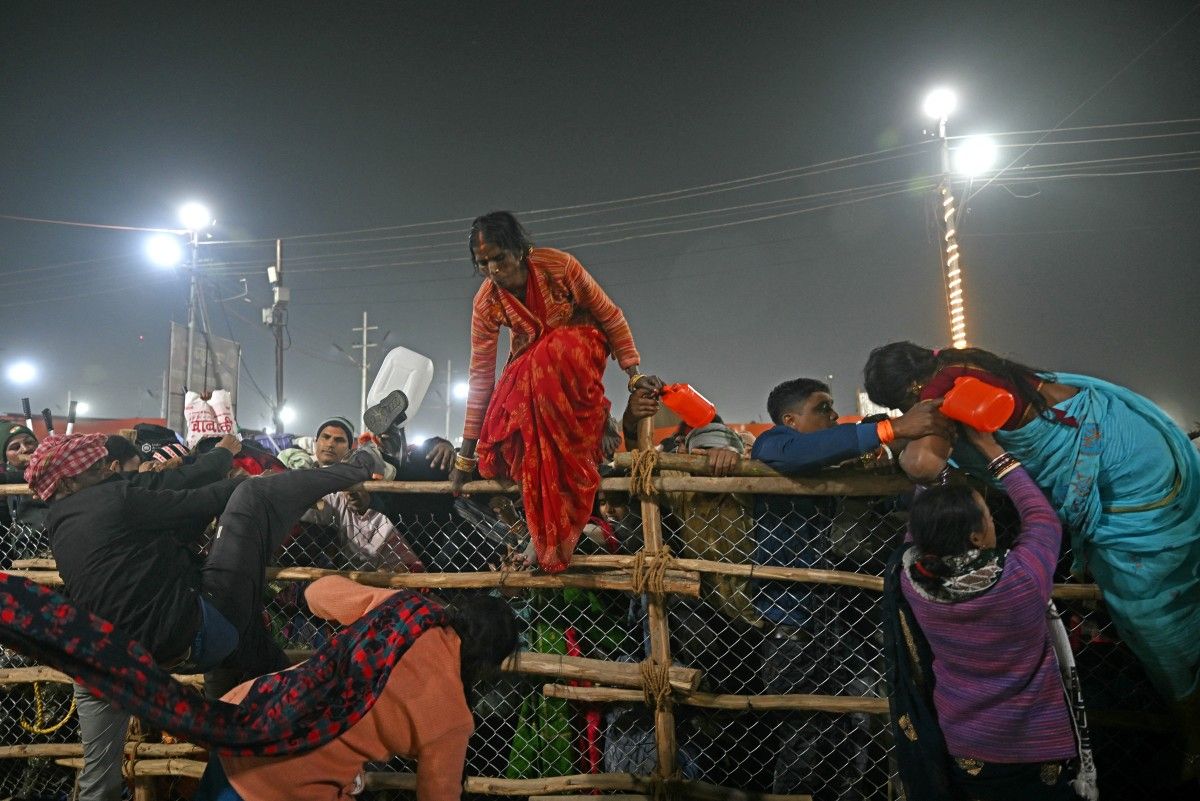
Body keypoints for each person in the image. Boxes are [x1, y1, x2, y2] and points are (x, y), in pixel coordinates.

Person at [863, 341, 1200, 763]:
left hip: (1129, 482)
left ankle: (1193, 737)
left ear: (910, 390)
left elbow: (923, 465)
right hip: (1126, 441)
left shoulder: (946, 392)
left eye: (899, 405)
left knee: (1152, 616)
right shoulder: (957, 362)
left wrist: (899, 434)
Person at [27, 432, 393, 801]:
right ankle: (361, 465)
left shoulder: (59, 520)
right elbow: (195, 500)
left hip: (102, 658)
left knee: (98, 780)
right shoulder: (111, 497)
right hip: (192, 638)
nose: (104, 470)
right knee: (252, 498)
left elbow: (170, 520)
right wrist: (248, 482)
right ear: (70, 480)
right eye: (94, 467)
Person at [749, 377, 952, 796]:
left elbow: (893, 507)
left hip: (836, 619)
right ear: (790, 419)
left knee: (852, 730)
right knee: (802, 738)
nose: (833, 416)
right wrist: (889, 430)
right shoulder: (774, 445)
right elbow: (798, 454)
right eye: (822, 408)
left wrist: (886, 470)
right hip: (790, 622)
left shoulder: (829, 463)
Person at [448, 211, 661, 572]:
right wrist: (465, 456)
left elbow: (610, 317)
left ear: (519, 249)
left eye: (499, 257)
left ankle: (595, 419)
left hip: (578, 353)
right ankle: (540, 532)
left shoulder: (559, 266)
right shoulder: (487, 302)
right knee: (508, 428)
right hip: (533, 377)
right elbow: (481, 374)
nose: (492, 270)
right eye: (482, 263)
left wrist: (633, 375)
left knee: (551, 352)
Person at [894, 427, 1088, 800]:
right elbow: (1042, 519)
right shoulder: (1021, 579)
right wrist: (993, 452)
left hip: (967, 744)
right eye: (987, 516)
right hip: (1037, 744)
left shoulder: (914, 584)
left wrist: (928, 474)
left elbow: (917, 536)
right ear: (976, 539)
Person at [195, 577, 519, 801]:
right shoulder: (452, 716)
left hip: (248, 718)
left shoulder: (407, 608)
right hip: (288, 781)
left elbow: (317, 594)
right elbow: (438, 793)